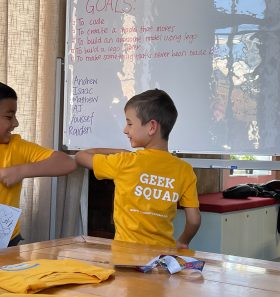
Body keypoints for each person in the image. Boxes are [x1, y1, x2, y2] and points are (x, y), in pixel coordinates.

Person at [75, 89, 201, 248]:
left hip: (125, 255)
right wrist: (183, 241)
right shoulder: (185, 170)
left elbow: (81, 156)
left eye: (129, 123)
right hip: (161, 257)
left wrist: (122, 153)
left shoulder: (125, 161)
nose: (125, 129)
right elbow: (194, 220)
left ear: (152, 127)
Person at [0, 82, 77, 246]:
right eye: (8, 117)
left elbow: (66, 163)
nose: (15, 123)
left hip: (7, 241)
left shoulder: (16, 146)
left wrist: (20, 171)